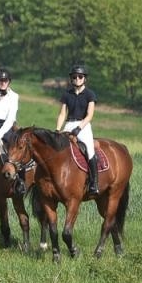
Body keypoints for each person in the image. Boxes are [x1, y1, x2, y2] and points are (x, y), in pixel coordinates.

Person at [56, 63, 99, 195]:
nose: (77, 79)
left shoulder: (90, 94)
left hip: (83, 125)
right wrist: (57, 130)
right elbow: (63, 114)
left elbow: (90, 115)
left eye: (80, 76)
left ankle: (94, 183)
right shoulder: (66, 94)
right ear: (71, 79)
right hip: (69, 124)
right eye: (74, 77)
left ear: (84, 78)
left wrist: (79, 129)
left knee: (89, 149)